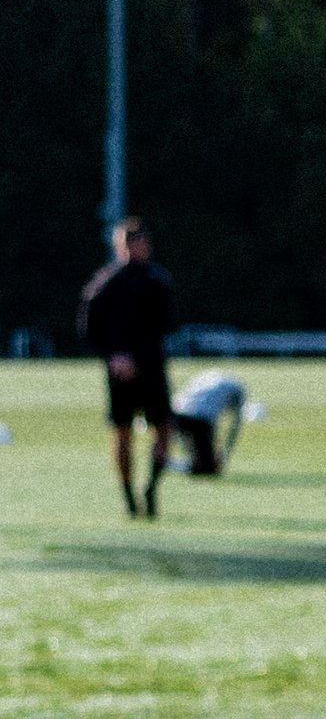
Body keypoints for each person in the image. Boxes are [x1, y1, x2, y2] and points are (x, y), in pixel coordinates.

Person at [79, 217, 175, 519]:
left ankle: (144, 490)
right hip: (137, 368)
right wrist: (117, 357)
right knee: (130, 432)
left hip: (132, 368)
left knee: (152, 430)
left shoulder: (138, 281)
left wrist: (117, 357)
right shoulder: (121, 283)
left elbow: (165, 325)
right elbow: (89, 328)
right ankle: (135, 494)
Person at [170, 367, 252, 477]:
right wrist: (224, 455)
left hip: (177, 411)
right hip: (199, 418)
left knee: (198, 459)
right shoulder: (237, 390)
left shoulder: (211, 379)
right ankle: (164, 462)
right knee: (207, 469)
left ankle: (167, 461)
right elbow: (234, 427)